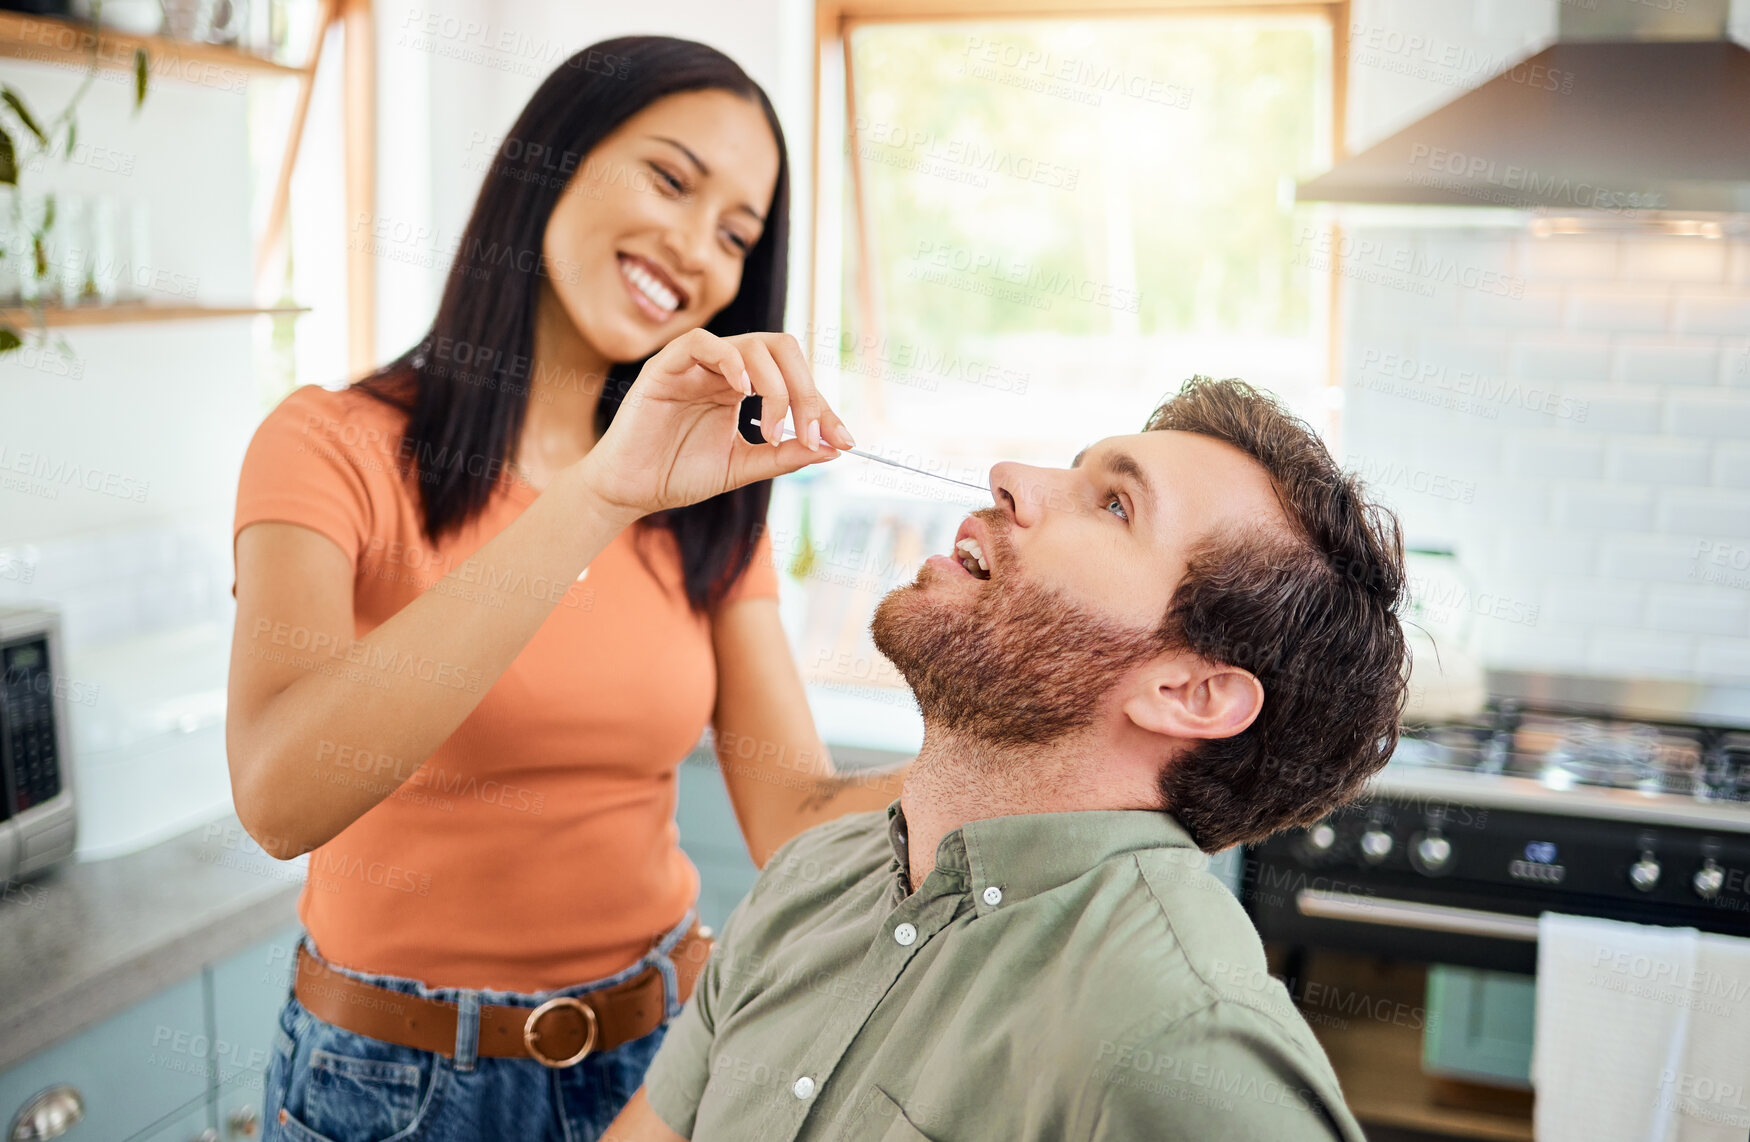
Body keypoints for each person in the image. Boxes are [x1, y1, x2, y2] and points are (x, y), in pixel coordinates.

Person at [228, 36, 904, 1142]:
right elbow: (277, 794)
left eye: (737, 233)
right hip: (396, 1086)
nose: (696, 249)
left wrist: (1054, 760)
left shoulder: (708, 497)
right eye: (671, 179)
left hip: (661, 1058)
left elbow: (796, 816)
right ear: (550, 160)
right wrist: (597, 495)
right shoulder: (328, 446)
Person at [605, 376, 1408, 1141]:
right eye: (1075, 470)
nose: (1009, 477)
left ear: (1188, 693)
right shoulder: (811, 880)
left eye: (1116, 504)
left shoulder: (1184, 1042)